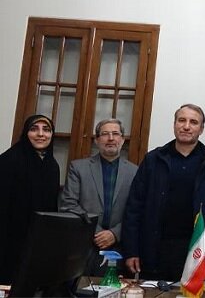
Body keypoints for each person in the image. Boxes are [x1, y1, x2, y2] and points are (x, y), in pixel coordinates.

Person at [122, 104, 205, 280]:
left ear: (201, 129)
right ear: (174, 124)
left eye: (193, 122)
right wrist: (131, 250)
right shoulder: (153, 160)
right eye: (181, 120)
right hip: (155, 249)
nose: (186, 126)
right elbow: (134, 207)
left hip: (196, 252)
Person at [60, 118, 138, 275]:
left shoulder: (135, 171)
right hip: (84, 245)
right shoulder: (78, 168)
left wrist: (114, 234)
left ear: (122, 140)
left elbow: (138, 210)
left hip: (119, 247)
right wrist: (96, 232)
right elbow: (68, 205)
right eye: (105, 134)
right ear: (97, 140)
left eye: (115, 134)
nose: (111, 138)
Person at [0, 114, 60, 284]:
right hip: (9, 241)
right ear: (26, 133)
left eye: (46, 130)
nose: (41, 134)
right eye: (34, 129)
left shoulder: (52, 165)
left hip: (38, 242)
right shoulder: (8, 161)